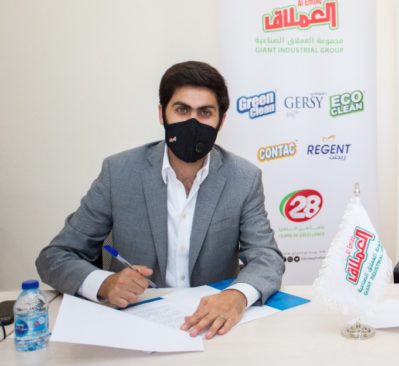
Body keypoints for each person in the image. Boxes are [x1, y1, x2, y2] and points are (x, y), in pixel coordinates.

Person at [36, 61, 284, 338]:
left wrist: (237, 296)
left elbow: (267, 257)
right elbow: (55, 257)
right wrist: (104, 283)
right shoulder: (119, 172)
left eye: (205, 112)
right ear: (161, 114)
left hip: (211, 330)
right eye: (182, 110)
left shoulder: (243, 178)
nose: (192, 122)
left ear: (221, 121)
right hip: (135, 326)